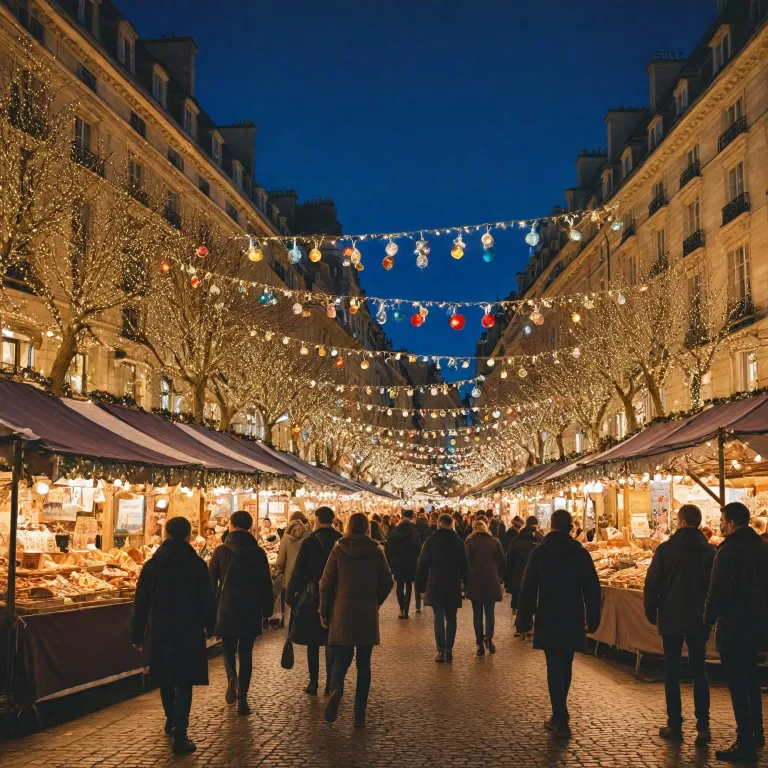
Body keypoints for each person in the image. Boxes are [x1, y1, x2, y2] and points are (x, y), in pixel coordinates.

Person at [129, 516, 216, 754]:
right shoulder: (197, 565)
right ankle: (180, 731)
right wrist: (211, 625)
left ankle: (171, 720)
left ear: (166, 535)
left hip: (160, 629)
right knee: (184, 681)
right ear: (188, 536)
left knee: (166, 678)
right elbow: (207, 599)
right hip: (188, 629)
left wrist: (136, 633)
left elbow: (141, 603)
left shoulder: (152, 565)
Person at [515, 509, 601, 739]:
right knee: (567, 661)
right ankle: (560, 713)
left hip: (549, 612)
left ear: (551, 525)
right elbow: (592, 588)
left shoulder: (540, 553)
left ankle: (560, 716)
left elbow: (528, 588)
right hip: (572, 613)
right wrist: (594, 618)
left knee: (554, 664)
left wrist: (524, 619)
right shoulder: (579, 553)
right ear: (571, 527)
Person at [643, 504, 715, 745]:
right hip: (699, 618)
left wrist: (651, 612)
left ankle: (675, 725)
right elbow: (714, 587)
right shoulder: (710, 552)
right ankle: (703, 727)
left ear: (682, 521)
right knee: (699, 672)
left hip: (671, 617)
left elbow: (652, 584)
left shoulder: (666, 550)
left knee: (672, 672)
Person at [705, 502, 768, 763]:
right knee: (751, 679)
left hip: (735, 624)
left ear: (730, 522)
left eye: (722, 520)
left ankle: (745, 742)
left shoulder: (729, 550)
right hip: (757, 623)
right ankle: (757, 733)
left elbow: (718, 589)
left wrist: (707, 619)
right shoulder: (761, 548)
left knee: (738, 684)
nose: (720, 525)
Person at [320, 512, 393, 728]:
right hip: (366, 612)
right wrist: (375, 600)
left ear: (348, 527)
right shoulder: (376, 550)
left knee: (341, 659)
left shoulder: (338, 549)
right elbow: (388, 581)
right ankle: (359, 711)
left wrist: (324, 612)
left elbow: (325, 583)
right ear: (367, 529)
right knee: (364, 664)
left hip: (342, 611)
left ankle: (337, 690)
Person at [209, 510, 273, 715]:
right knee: (246, 654)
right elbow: (266, 583)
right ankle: (243, 700)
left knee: (228, 648)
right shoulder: (258, 552)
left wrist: (210, 610)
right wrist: (268, 609)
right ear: (250, 527)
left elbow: (211, 583)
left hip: (227, 607)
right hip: (251, 608)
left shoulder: (221, 551)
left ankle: (231, 676)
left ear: (231, 525)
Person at [285, 505, 343, 697]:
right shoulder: (340, 540)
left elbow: (299, 571)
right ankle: (330, 682)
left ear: (317, 519)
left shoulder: (309, 541)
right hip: (336, 595)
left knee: (312, 640)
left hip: (313, 596)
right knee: (330, 641)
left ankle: (313, 681)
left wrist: (291, 595)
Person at [415, 513, 469, 663]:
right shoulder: (458, 542)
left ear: (438, 524)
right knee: (451, 617)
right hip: (452, 583)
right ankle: (449, 649)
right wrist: (467, 584)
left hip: (436, 583)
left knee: (438, 617)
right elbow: (465, 566)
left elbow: (423, 564)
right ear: (451, 524)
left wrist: (419, 585)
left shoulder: (430, 541)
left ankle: (441, 650)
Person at [465, 519, 506, 656]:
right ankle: (489, 637)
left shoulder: (470, 542)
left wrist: (465, 582)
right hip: (491, 580)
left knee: (477, 614)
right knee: (490, 613)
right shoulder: (495, 541)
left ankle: (479, 643)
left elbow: (466, 562)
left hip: (475, 580)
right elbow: (502, 561)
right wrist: (498, 576)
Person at [386, 509, 424, 619]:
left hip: (398, 562)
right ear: (412, 517)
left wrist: (391, 561)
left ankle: (401, 608)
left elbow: (389, 548)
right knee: (408, 585)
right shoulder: (414, 531)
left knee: (399, 585)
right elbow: (419, 548)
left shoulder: (395, 531)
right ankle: (406, 609)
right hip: (410, 562)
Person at [505, 516, 542, 616]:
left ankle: (516, 610)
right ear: (536, 525)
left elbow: (510, 560)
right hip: (535, 574)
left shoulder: (517, 539)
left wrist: (508, 578)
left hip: (518, 572)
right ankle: (529, 618)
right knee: (531, 596)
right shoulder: (540, 539)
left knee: (518, 593)